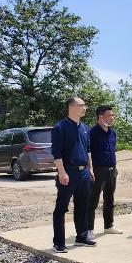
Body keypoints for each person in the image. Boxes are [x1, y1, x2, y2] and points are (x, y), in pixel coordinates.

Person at [50, 97, 97, 253]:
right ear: (71, 107)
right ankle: (58, 243)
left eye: (85, 105)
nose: (85, 108)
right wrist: (62, 172)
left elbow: (88, 150)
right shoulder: (60, 127)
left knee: (82, 206)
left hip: (84, 172)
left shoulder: (85, 127)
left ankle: (81, 237)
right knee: (61, 208)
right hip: (68, 172)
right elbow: (56, 152)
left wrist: (90, 169)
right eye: (81, 105)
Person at [88, 105, 123, 239]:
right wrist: (90, 169)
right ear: (100, 117)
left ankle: (109, 226)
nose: (112, 118)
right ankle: (88, 230)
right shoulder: (92, 133)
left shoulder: (112, 132)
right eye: (110, 115)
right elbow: (87, 153)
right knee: (92, 200)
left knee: (109, 199)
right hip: (98, 170)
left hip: (112, 169)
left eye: (113, 115)